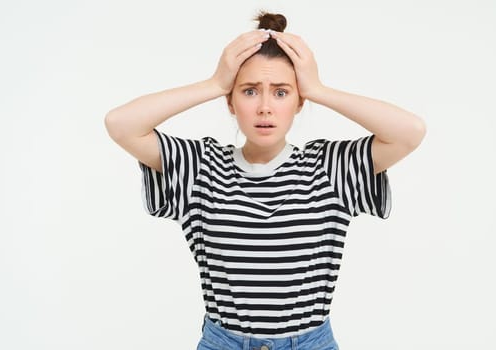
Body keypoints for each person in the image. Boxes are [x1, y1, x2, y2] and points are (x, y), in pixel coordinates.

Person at [105, 11, 426, 350]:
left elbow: (409, 132)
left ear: (299, 101)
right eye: (249, 91)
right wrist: (213, 83)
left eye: (281, 92)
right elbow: (121, 124)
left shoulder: (330, 167)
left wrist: (318, 88)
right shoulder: (200, 167)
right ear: (231, 101)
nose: (265, 107)